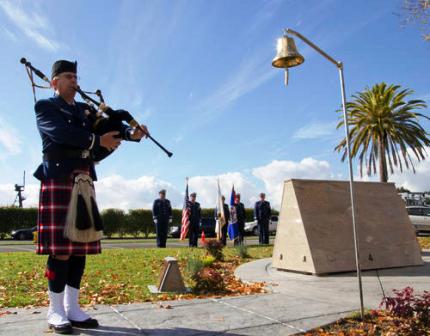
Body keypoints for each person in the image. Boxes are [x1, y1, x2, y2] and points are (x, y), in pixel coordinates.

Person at [34, 60, 148, 334]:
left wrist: (132, 134)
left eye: (76, 76)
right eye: (69, 76)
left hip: (83, 178)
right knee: (61, 250)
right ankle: (55, 310)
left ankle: (73, 308)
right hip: (59, 178)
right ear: (55, 83)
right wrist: (98, 141)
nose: (75, 80)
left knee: (79, 248)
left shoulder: (85, 111)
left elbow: (106, 128)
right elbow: (62, 133)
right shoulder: (46, 107)